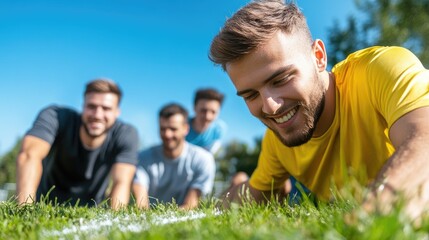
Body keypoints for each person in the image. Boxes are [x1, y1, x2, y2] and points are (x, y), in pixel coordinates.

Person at [209, 0, 429, 219]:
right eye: (250, 95)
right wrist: (208, 206)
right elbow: (256, 193)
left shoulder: (379, 70)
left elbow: (424, 140)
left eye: (281, 79)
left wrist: (368, 219)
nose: (270, 106)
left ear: (319, 57)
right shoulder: (277, 140)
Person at [16, 79, 139, 209]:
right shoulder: (56, 117)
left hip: (92, 210)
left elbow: (121, 181)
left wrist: (115, 218)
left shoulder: (126, 134)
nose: (97, 115)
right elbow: (29, 155)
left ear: (117, 112)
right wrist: (25, 209)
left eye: (106, 108)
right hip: (44, 204)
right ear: (83, 106)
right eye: (91, 106)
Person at [132, 103, 216, 209]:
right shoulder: (143, 158)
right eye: (163, 129)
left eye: (173, 129)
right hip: (149, 216)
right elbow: (141, 204)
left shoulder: (203, 159)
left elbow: (191, 205)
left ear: (186, 129)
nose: (167, 134)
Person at [186, 88, 227, 155]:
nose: (207, 116)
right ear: (194, 108)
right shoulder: (181, 125)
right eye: (203, 110)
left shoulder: (219, 129)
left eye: (213, 112)